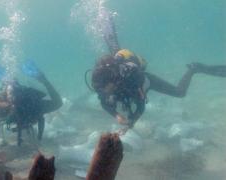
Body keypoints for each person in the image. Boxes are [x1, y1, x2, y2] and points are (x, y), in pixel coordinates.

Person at [91, 10, 226, 132]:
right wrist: (117, 115)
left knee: (180, 93)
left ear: (112, 81)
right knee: (114, 50)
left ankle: (193, 69)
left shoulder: (132, 80)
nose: (103, 92)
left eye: (105, 89)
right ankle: (105, 20)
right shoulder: (103, 82)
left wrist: (131, 122)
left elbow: (140, 107)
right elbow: (104, 102)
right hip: (120, 71)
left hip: (145, 80)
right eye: (101, 89)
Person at [0, 67, 62, 153]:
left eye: (5, 117)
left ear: (12, 109)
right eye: (1, 118)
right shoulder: (0, 112)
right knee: (10, 87)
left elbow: (58, 103)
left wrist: (45, 82)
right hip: (21, 108)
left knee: (57, 104)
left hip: (31, 107)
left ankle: (42, 79)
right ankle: (8, 81)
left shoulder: (32, 106)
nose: (1, 120)